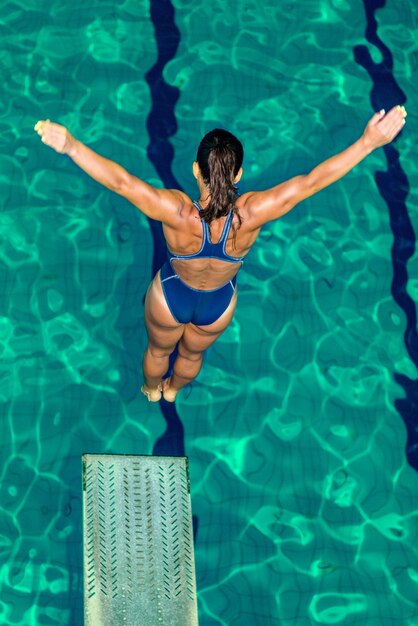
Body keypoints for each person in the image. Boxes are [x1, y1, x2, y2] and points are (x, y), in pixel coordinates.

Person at [34, 105, 406, 402]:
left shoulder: (177, 212)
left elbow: (121, 182)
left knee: (157, 351)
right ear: (239, 174)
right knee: (192, 357)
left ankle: (152, 390)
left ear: (196, 169)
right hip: (218, 305)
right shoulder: (251, 213)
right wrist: (368, 143)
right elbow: (310, 183)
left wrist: (70, 145)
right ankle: (175, 390)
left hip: (170, 296)